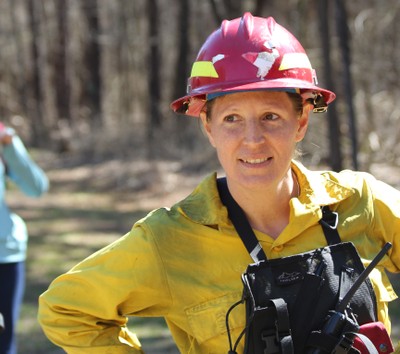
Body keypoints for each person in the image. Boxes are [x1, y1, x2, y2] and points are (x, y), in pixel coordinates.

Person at [38, 13, 399, 354]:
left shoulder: (360, 203)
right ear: (208, 127)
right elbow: (66, 309)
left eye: (271, 117)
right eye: (232, 119)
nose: (253, 139)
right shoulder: (171, 240)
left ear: (301, 121)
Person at [0, 122, 49, 354]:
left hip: (5, 254)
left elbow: (36, 187)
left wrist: (9, 146)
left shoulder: (3, 138)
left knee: (3, 342)